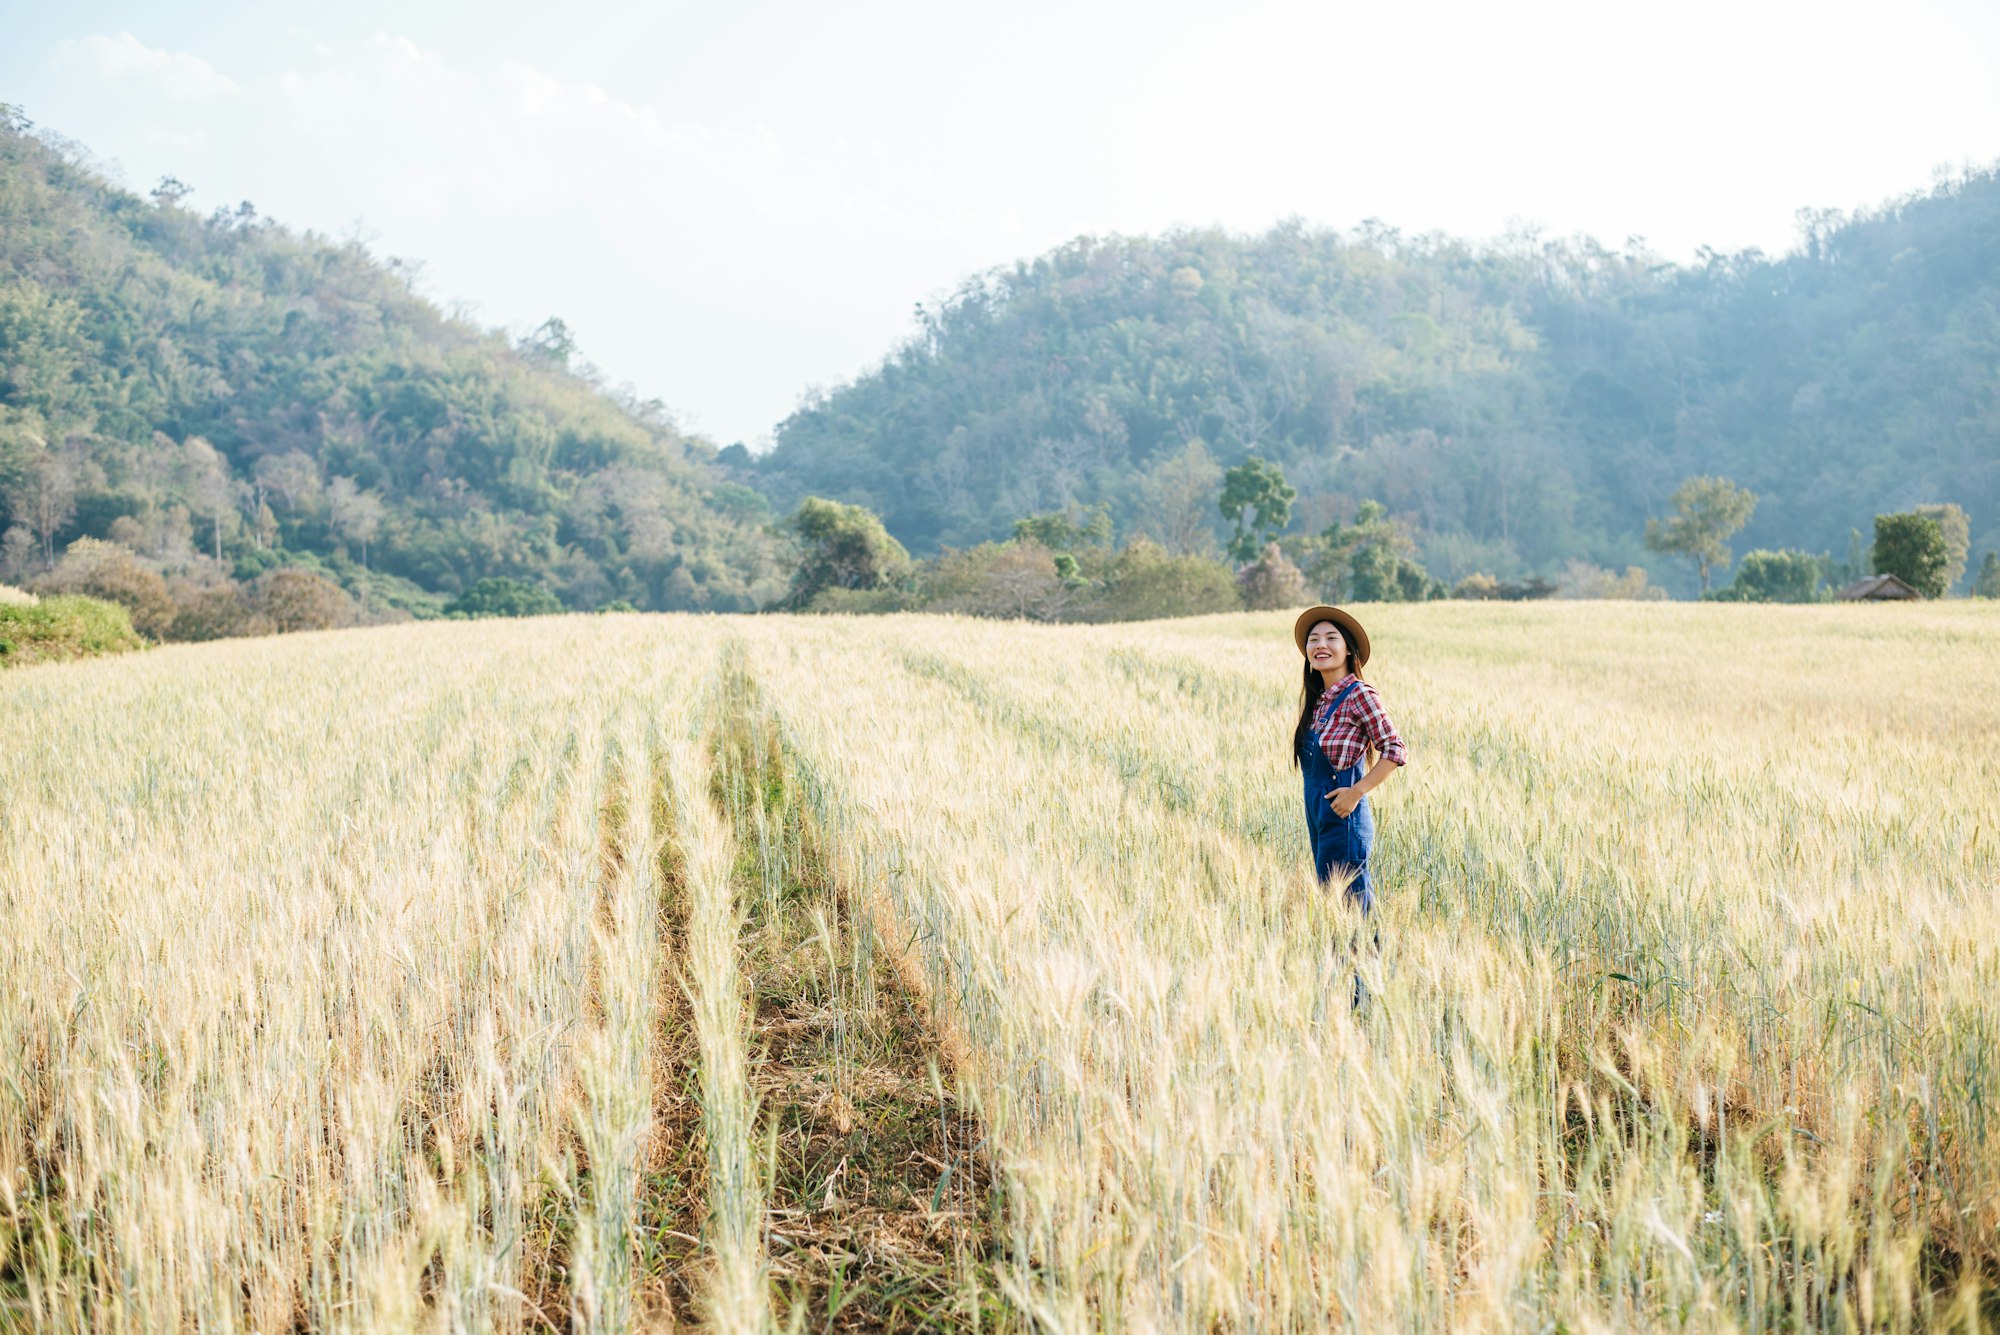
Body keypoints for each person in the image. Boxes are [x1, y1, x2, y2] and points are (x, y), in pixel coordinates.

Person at [1291, 605, 1408, 914]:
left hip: (1344, 818)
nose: (1320, 645)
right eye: (1313, 639)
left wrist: (1356, 792)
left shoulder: (1359, 694)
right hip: (1318, 816)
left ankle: (1367, 963)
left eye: (1331, 638)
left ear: (1347, 650)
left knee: (1351, 907)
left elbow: (1395, 749)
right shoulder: (1319, 703)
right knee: (1332, 907)